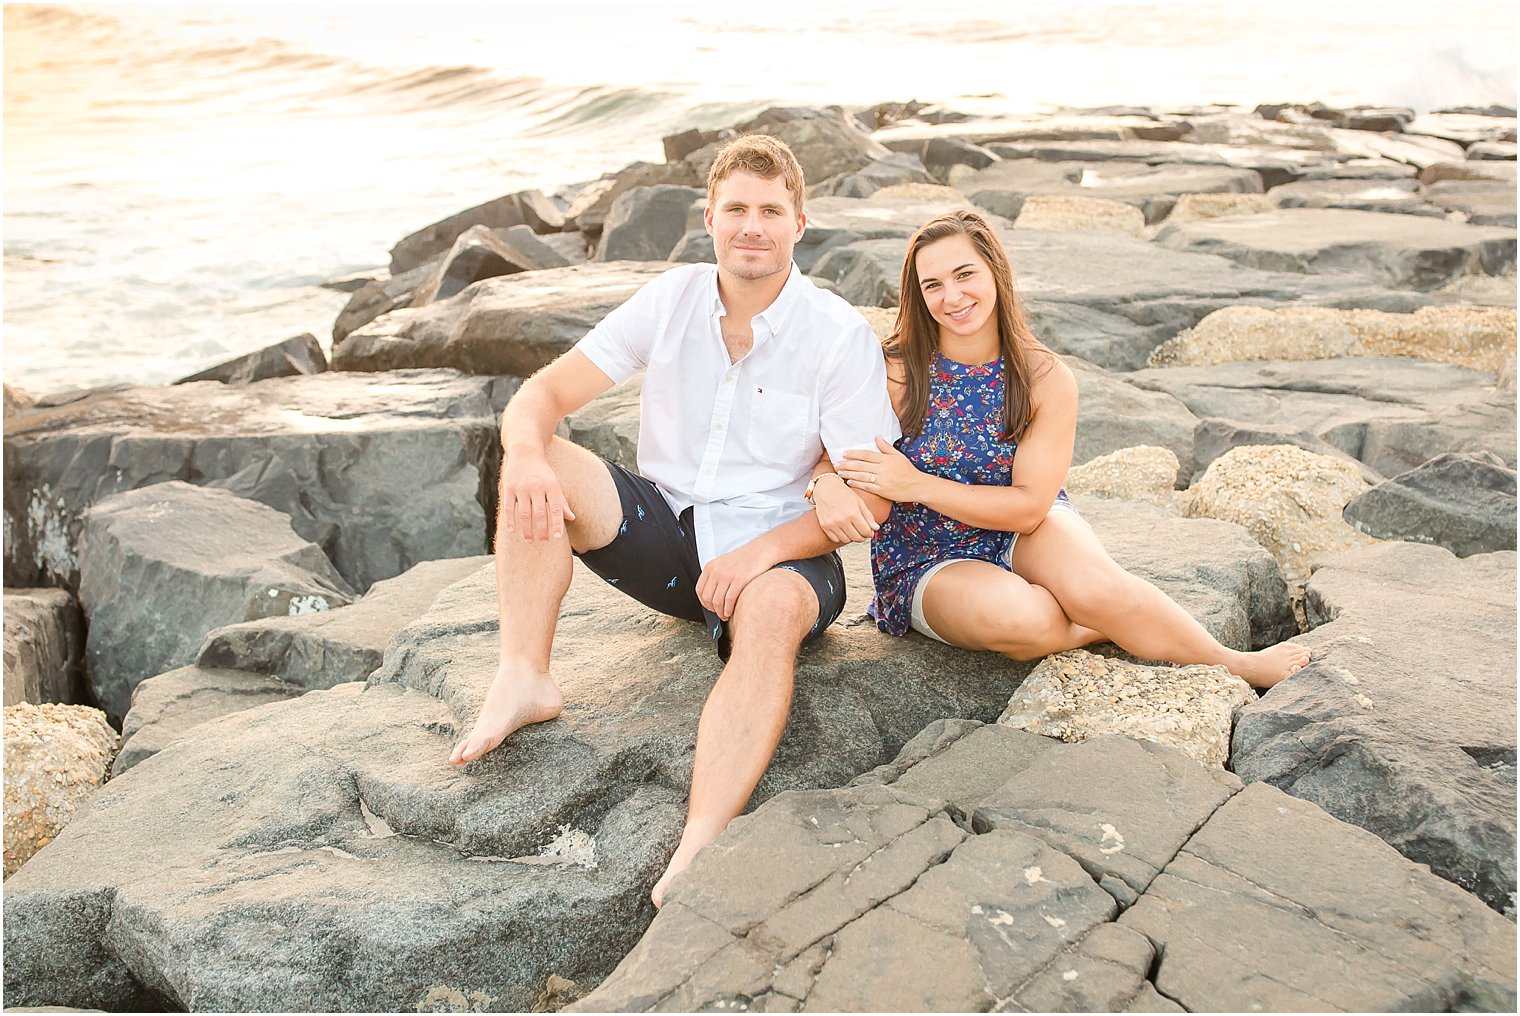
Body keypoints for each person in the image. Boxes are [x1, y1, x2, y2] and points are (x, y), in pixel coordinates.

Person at [449, 134, 900, 908]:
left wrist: (761, 554)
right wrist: (523, 456)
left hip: (783, 552)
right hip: (665, 534)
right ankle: (524, 675)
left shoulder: (836, 334)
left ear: (800, 222)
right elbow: (541, 396)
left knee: (770, 612)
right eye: (736, 210)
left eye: (770, 211)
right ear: (708, 218)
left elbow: (871, 500)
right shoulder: (673, 299)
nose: (751, 226)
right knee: (543, 459)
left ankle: (701, 837)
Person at [815, 209, 1308, 687]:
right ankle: (1102, 623)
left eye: (965, 274)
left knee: (1099, 586)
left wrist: (915, 483)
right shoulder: (895, 370)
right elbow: (825, 444)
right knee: (1024, 619)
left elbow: (1031, 508)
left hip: (1023, 527)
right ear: (917, 295)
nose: (953, 296)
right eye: (933, 285)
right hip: (926, 552)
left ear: (995, 271)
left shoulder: (1044, 378)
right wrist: (826, 482)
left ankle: (1233, 662)